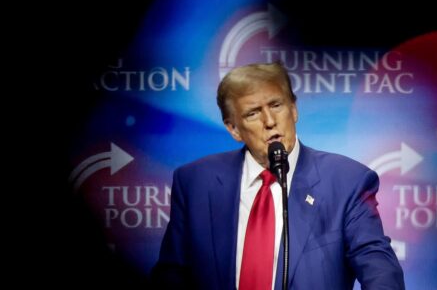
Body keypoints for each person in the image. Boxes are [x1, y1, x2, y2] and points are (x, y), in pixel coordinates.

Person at [152, 62, 404, 289]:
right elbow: (172, 275)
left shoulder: (347, 180)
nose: (270, 121)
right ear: (233, 128)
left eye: (276, 105)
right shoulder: (195, 182)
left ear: (293, 109)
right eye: (253, 113)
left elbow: (378, 266)